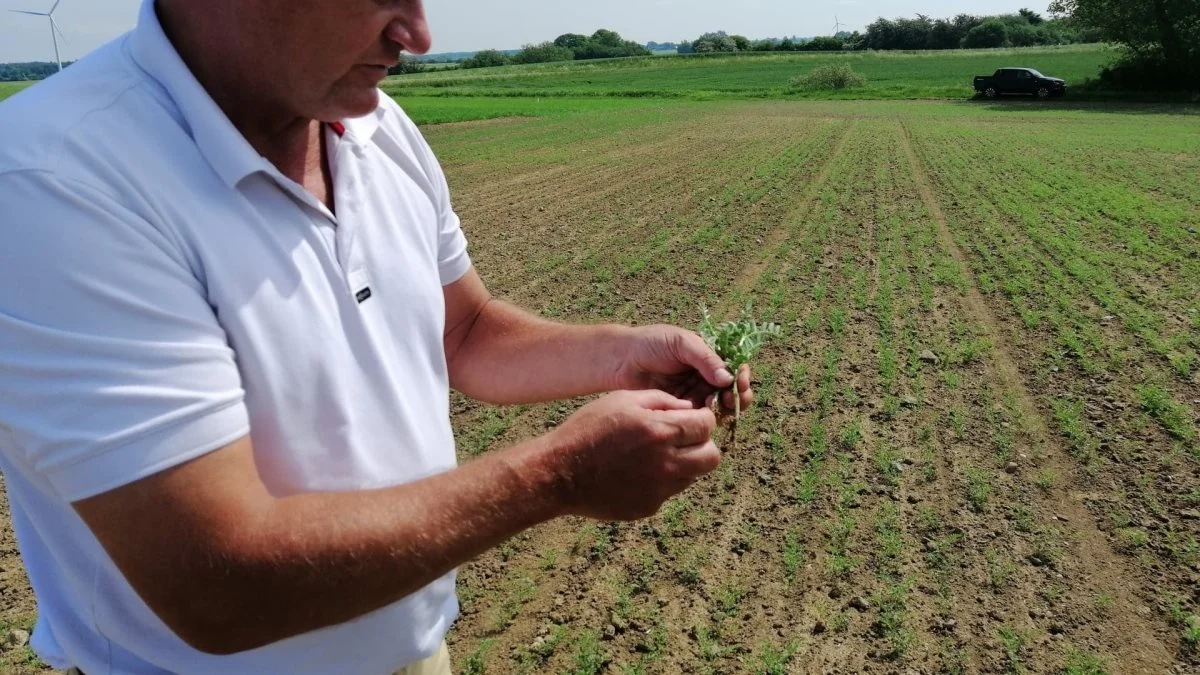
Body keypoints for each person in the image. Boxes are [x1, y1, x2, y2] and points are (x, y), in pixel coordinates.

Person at [0, 1, 753, 673]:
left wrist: (623, 354)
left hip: (416, 650)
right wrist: (557, 476)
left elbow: (464, 328)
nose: (419, 36)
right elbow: (218, 584)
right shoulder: (53, 176)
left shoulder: (372, 123)